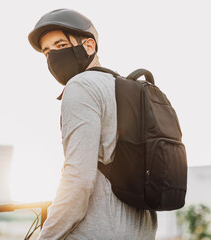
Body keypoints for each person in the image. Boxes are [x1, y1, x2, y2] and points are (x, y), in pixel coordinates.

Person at [28, 9, 157, 240]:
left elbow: (78, 178)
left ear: (89, 46)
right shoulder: (126, 88)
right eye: (46, 52)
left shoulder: (81, 86)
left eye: (60, 46)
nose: (52, 58)